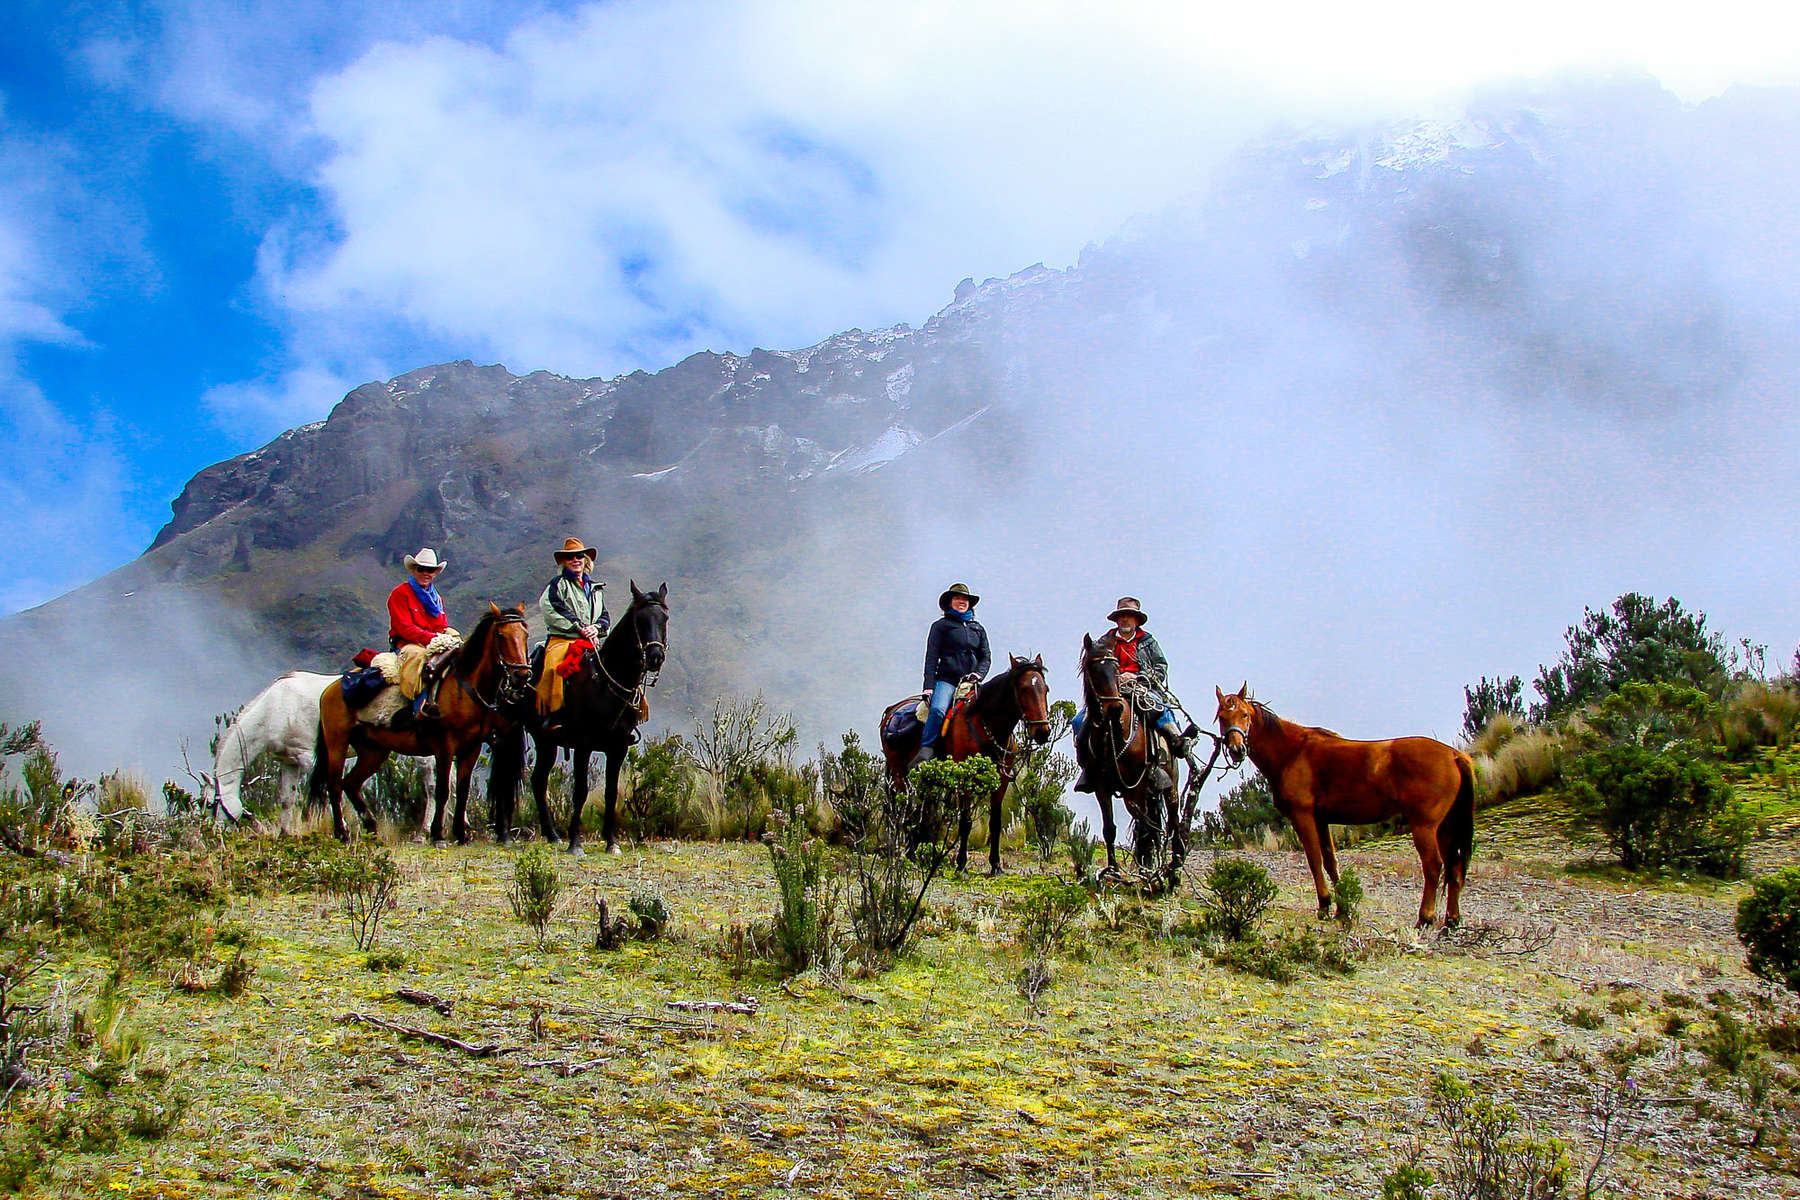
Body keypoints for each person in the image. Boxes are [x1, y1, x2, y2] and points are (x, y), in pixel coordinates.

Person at [1074, 597, 1197, 791]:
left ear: (1136, 620)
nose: (1125, 620)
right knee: (1078, 720)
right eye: (1121, 616)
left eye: (1129, 616)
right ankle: (1088, 769)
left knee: (1160, 708)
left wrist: (1138, 676)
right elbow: (1096, 666)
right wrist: (1114, 678)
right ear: (1116, 620)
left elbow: (1161, 667)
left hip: (1142, 688)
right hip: (1111, 691)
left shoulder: (1148, 642)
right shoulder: (1105, 642)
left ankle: (1173, 744)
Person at [910, 582, 991, 768]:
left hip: (971, 683)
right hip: (947, 681)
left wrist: (978, 675)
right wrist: (928, 687)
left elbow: (986, 657)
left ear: (970, 604)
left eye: (965, 599)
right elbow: (931, 658)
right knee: (937, 710)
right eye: (957, 598)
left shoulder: (978, 629)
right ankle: (926, 749)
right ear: (950, 602)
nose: (961, 602)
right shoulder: (940, 626)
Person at [536, 536, 610, 721]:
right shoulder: (557, 585)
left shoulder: (595, 588)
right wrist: (579, 628)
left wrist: (597, 628)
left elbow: (604, 615)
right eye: (570, 557)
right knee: (553, 670)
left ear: (586, 560)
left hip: (591, 641)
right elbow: (552, 609)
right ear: (564, 562)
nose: (575, 560)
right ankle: (550, 716)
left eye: (579, 556)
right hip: (562, 640)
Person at [387, 548, 455, 719]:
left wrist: (447, 637)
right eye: (421, 569)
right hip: (408, 645)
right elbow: (404, 628)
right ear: (414, 570)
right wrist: (435, 639)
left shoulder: (437, 599)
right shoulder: (400, 594)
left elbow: (442, 625)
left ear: (435, 573)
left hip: (432, 643)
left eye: (430, 570)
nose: (425, 573)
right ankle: (419, 711)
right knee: (419, 664)